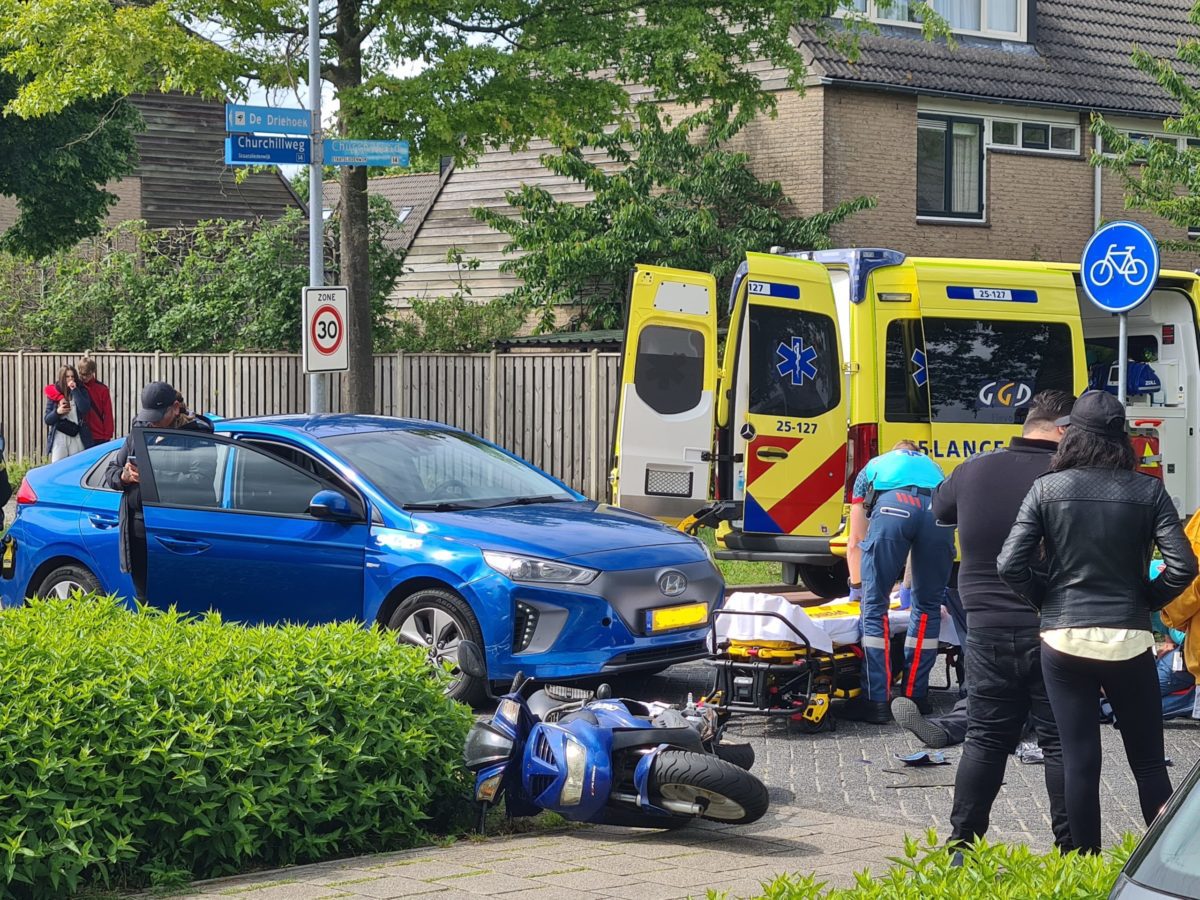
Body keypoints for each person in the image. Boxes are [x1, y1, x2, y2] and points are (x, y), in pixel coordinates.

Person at [998, 390, 1198, 854]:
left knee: (1079, 759)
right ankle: (1167, 861)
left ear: (1071, 437)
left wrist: (1045, 603)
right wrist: (1145, 600)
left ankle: (1081, 864)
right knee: (1149, 761)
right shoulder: (1148, 490)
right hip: (1127, 635)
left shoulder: (1047, 488)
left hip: (1063, 635)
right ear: (1122, 439)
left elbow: (1010, 563)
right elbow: (1183, 567)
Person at [899, 390, 1074, 852]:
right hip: (1052, 625)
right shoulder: (1066, 476)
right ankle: (1072, 854)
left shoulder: (974, 468)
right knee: (1058, 743)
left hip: (986, 626)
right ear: (1064, 430)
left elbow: (941, 510)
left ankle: (961, 847)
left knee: (986, 738)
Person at [841, 440, 955, 724]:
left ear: (893, 451)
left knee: (874, 606)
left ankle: (876, 700)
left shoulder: (873, 467)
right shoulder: (935, 467)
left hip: (893, 510)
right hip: (937, 516)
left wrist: (857, 588)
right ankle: (916, 696)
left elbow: (855, 539)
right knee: (927, 607)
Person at [103, 381, 182, 600]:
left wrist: (155, 475)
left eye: (158, 415)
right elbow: (111, 471)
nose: (152, 421)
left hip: (175, 531)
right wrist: (124, 476)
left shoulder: (192, 435)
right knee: (144, 598)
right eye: (149, 415)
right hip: (139, 531)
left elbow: (199, 480)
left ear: (175, 408)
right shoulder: (138, 430)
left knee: (175, 600)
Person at [43, 364, 93, 462]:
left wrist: (74, 390)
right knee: (57, 466)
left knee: (76, 465)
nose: (70, 379)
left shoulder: (81, 390)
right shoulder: (54, 393)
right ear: (62, 378)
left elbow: (85, 408)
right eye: (67, 376)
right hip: (60, 435)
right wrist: (57, 412)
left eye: (72, 376)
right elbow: (47, 419)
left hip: (76, 434)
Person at [77, 357, 114, 444]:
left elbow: (108, 413)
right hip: (79, 434)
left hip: (98, 435)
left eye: (88, 374)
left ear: (93, 372)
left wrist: (107, 435)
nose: (85, 377)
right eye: (82, 374)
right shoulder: (75, 387)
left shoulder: (102, 389)